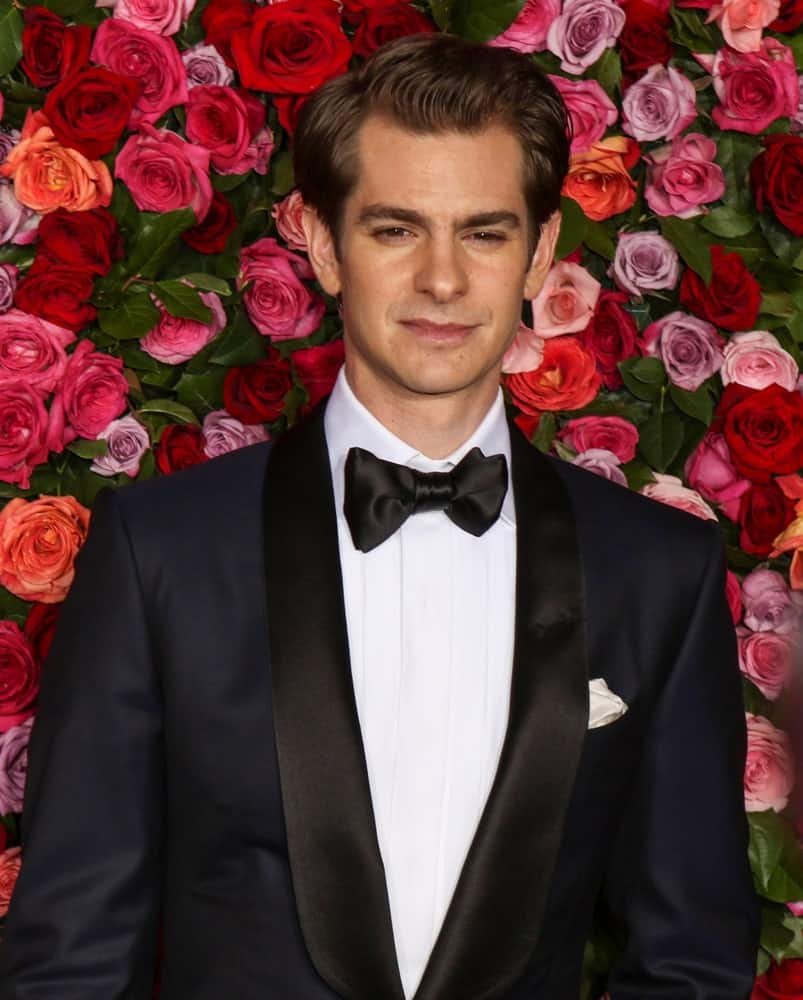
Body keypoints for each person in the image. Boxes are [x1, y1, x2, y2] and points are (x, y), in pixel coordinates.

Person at [0, 32, 759, 1000]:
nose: (441, 281)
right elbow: (70, 960)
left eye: (483, 232)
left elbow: (693, 956)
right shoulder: (163, 552)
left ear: (540, 255)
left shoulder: (656, 569)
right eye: (395, 229)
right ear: (321, 244)